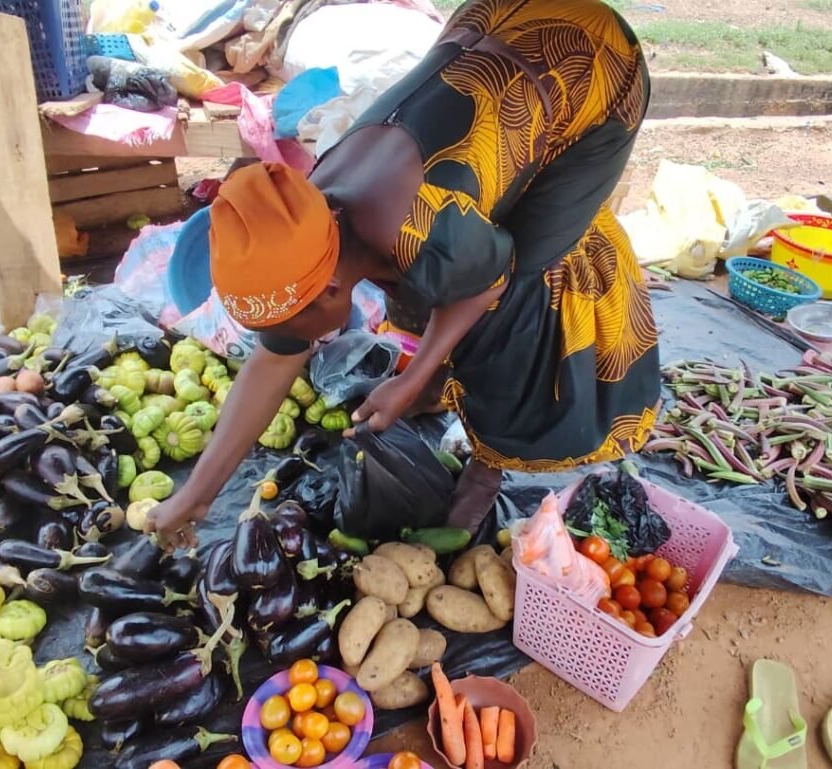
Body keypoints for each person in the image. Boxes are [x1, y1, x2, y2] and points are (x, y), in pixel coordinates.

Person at [147, 0, 661, 551]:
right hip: (493, 29)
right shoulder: (312, 217)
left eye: (299, 328)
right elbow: (273, 359)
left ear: (329, 289)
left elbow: (490, 281)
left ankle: (488, 466)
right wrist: (196, 495)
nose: (297, 342)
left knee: (521, 284)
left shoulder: (422, 229)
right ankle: (444, 379)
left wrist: (412, 379)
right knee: (430, 282)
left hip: (587, 68)